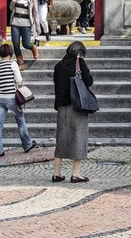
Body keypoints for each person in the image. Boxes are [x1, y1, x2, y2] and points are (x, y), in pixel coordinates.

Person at [52, 41, 93, 183]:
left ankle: (56, 173)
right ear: (80, 53)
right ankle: (76, 174)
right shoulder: (79, 63)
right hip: (77, 106)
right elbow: (89, 81)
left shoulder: (58, 66)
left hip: (61, 107)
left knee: (61, 139)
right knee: (79, 137)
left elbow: (56, 85)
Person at [0, 43, 37, 157]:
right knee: (20, 121)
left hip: (0, 98)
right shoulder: (12, 64)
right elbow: (18, 80)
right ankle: (27, 144)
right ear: (10, 53)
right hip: (12, 98)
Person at [10, 0, 40, 71]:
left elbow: (35, 12)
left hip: (26, 24)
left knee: (26, 44)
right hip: (15, 23)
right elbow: (11, 8)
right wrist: (13, 1)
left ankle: (33, 48)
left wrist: (38, 26)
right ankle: (21, 63)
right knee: (15, 44)